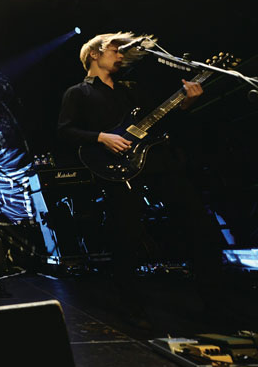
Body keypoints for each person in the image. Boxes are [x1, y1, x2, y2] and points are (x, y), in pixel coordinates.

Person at [56, 32, 223, 329]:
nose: (121, 56)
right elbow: (65, 130)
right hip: (116, 170)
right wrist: (101, 137)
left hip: (159, 163)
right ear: (94, 54)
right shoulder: (78, 93)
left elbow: (160, 123)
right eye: (115, 51)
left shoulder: (131, 89)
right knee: (126, 237)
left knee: (198, 225)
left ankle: (216, 305)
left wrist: (185, 104)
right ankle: (132, 307)